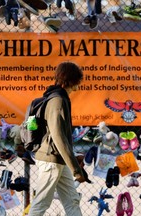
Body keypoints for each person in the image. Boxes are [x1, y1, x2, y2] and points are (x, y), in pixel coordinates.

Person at [28, 61, 86, 216]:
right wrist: (75, 169)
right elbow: (58, 136)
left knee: (72, 200)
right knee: (41, 203)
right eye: (78, 81)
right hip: (51, 160)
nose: (79, 85)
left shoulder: (58, 97)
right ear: (72, 80)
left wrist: (72, 164)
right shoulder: (57, 101)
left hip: (57, 159)